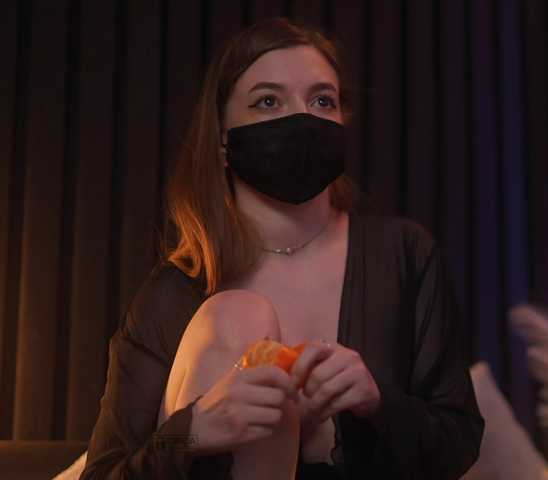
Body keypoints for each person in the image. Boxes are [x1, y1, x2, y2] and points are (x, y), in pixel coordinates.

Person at [80, 16, 484, 480]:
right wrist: (194, 430)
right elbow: (105, 471)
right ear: (221, 137)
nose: (301, 118)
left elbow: (458, 443)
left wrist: (377, 405)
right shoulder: (179, 288)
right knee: (239, 314)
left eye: (322, 100)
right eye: (268, 101)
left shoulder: (404, 255)